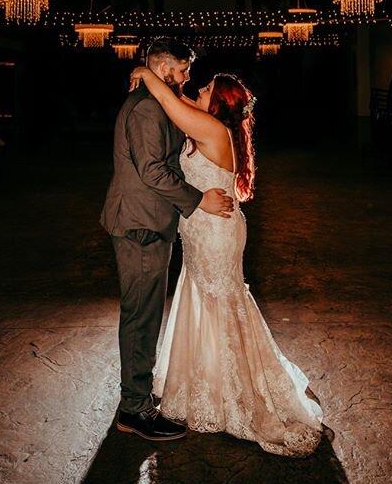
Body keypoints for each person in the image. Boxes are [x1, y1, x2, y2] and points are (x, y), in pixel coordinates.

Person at [128, 65, 324, 457]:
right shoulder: (209, 124)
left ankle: (236, 392)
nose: (197, 89)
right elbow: (179, 99)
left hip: (216, 234)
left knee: (221, 303)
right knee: (204, 299)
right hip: (204, 230)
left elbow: (170, 100)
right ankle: (210, 382)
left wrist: (144, 73)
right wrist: (164, 77)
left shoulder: (212, 131)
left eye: (206, 88)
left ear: (216, 105)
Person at [100, 37, 234, 442]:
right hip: (140, 224)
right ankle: (135, 409)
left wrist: (145, 74)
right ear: (164, 69)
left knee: (145, 314)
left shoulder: (157, 101)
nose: (187, 78)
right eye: (182, 70)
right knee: (140, 316)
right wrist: (198, 201)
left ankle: (138, 397)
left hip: (151, 222)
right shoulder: (145, 110)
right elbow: (152, 171)